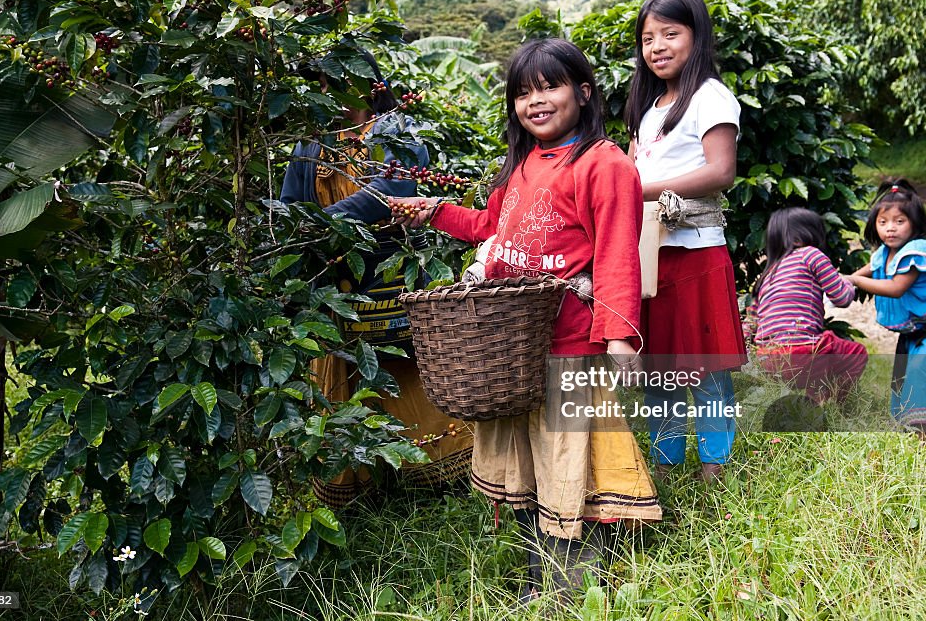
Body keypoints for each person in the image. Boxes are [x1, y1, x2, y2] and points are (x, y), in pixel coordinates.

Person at [392, 38, 661, 599]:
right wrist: (435, 211)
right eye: (522, 92)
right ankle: (537, 577)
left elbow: (617, 254)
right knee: (532, 462)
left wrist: (619, 337)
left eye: (549, 87)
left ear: (583, 93)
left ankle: (572, 588)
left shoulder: (603, 164)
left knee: (569, 463)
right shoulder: (523, 163)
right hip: (514, 347)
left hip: (569, 340)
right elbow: (491, 226)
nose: (535, 102)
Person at [279, 49, 473, 506]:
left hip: (388, 273)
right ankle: (360, 485)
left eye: (342, 80)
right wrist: (299, 232)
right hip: (334, 282)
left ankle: (439, 478)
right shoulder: (310, 144)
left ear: (370, 83)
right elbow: (289, 205)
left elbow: (393, 192)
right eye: (323, 83)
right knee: (345, 375)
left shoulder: (396, 130)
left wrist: (323, 224)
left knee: (406, 373)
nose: (331, 91)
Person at [624, 0, 747, 482]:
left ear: (697, 37)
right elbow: (630, 172)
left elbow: (721, 171)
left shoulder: (711, 96)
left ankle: (715, 464)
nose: (657, 47)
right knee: (660, 366)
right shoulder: (648, 108)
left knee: (706, 368)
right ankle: (667, 460)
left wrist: (643, 191)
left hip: (696, 253)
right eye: (648, 38)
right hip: (652, 257)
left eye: (670, 34)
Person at [847, 180, 926, 442]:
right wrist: (843, 281)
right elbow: (862, 273)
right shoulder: (883, 254)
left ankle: (922, 438)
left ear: (915, 224)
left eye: (899, 221)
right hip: (914, 331)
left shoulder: (916, 254)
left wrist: (854, 281)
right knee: (904, 381)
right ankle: (919, 440)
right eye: (883, 222)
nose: (890, 229)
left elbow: (896, 288)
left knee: (923, 371)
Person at [749, 208, 868, 404]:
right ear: (798, 239)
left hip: (767, 359)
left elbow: (751, 322)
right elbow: (842, 298)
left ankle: (808, 408)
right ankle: (834, 405)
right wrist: (851, 282)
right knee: (856, 354)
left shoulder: (766, 276)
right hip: (803, 352)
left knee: (815, 365)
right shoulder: (811, 255)